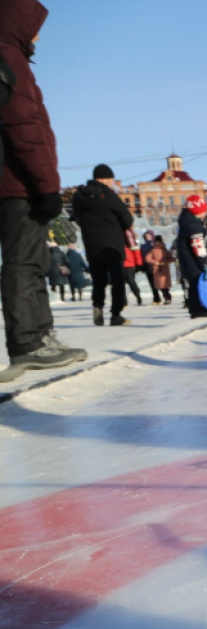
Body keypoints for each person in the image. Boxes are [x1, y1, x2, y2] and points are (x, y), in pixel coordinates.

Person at [0, 0, 86, 382]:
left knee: (32, 261)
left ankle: (41, 337)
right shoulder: (7, 57)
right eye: (35, 27)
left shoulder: (9, 56)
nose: (38, 36)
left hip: (17, 182)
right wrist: (46, 186)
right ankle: (29, 343)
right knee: (24, 262)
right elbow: (25, 128)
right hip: (16, 184)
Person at [72, 164, 134, 326]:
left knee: (98, 279)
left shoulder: (79, 196)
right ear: (106, 179)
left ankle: (97, 306)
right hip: (112, 244)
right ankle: (116, 314)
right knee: (117, 280)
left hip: (92, 244)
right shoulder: (108, 194)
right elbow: (127, 218)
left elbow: (76, 217)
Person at [176, 194, 207, 319]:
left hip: (188, 261)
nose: (205, 212)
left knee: (194, 285)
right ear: (198, 210)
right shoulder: (194, 227)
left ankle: (196, 309)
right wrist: (204, 264)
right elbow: (198, 247)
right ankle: (199, 309)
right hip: (193, 262)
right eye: (203, 210)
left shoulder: (187, 223)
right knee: (197, 284)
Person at [143, 236, 173, 305]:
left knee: (165, 285)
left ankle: (167, 297)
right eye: (156, 242)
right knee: (162, 286)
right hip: (158, 270)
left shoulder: (164, 250)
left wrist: (163, 262)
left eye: (159, 242)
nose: (158, 243)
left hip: (163, 270)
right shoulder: (154, 250)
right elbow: (148, 259)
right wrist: (156, 263)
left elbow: (171, 258)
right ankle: (167, 297)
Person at [139, 230, 162, 303]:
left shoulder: (155, 245)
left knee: (159, 283)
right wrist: (141, 266)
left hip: (156, 266)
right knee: (152, 284)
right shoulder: (143, 246)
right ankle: (156, 298)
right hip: (147, 267)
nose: (147, 238)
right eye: (146, 236)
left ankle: (165, 296)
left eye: (148, 236)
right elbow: (141, 256)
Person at [122, 228, 143, 306]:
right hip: (120, 265)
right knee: (121, 284)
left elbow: (137, 254)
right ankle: (124, 301)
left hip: (129, 265)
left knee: (131, 282)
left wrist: (139, 265)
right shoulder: (116, 241)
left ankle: (138, 296)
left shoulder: (130, 241)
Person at [46, 237, 68, 301]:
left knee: (53, 285)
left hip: (52, 272)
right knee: (62, 285)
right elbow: (67, 261)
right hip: (61, 271)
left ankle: (53, 298)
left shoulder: (48, 254)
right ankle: (62, 298)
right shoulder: (61, 253)